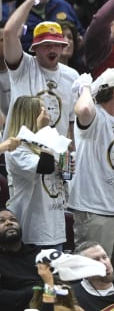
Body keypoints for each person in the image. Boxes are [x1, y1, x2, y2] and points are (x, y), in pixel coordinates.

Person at [70, 67, 114, 256]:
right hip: (94, 210)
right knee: (93, 272)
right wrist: (86, 87)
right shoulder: (96, 116)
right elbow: (84, 108)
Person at [3, 0, 78, 139]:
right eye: (46, 45)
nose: (52, 49)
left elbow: (71, 122)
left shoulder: (73, 76)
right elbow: (9, 32)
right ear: (35, 48)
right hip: (21, 155)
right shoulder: (23, 66)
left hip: (55, 157)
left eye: (57, 45)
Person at [5, 96, 63, 249]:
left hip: (55, 226)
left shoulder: (48, 141)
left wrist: (65, 169)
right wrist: (44, 130)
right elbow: (45, 167)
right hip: (36, 231)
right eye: (42, 111)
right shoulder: (16, 149)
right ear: (31, 116)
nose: (47, 116)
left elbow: (56, 173)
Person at [0, 208, 42, 311]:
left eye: (13, 219)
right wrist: (33, 292)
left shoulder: (38, 253)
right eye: (1, 221)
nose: (9, 223)